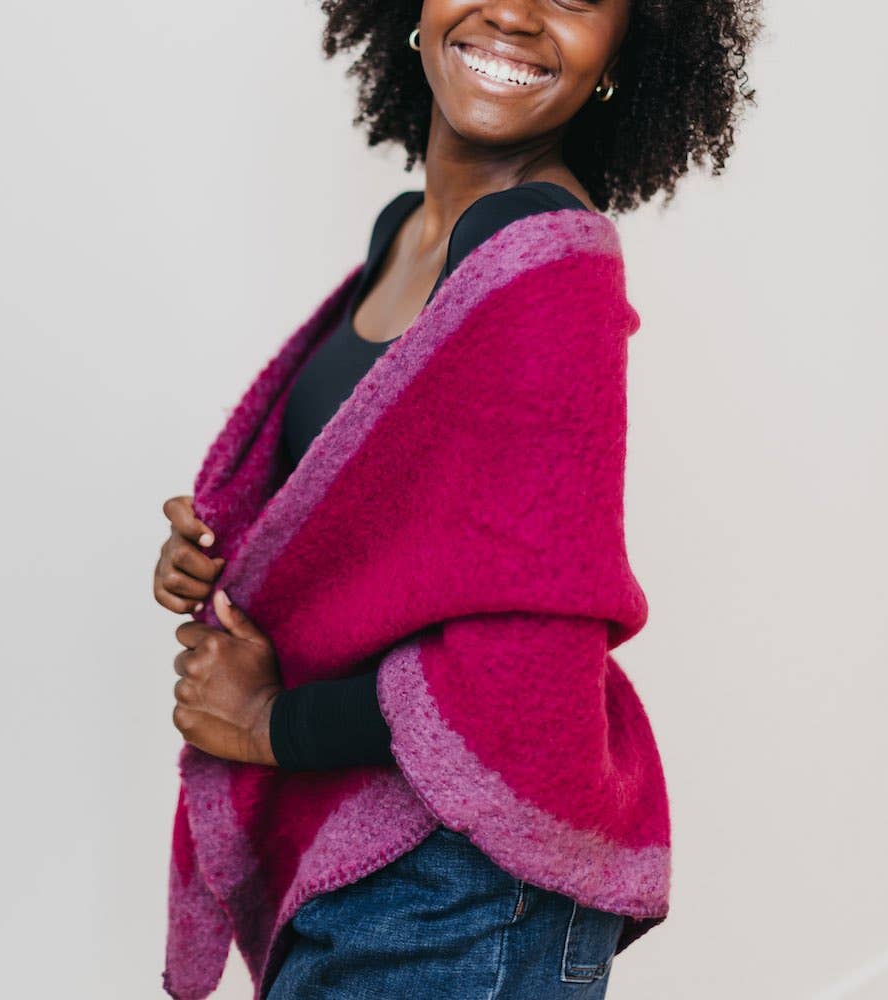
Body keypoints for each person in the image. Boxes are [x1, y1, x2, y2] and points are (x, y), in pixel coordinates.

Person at [154, 0, 762, 995]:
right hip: (376, 853)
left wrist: (270, 722)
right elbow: (377, 523)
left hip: (459, 884)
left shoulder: (544, 260)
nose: (512, 12)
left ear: (622, 51)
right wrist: (224, 550)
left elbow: (525, 677)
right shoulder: (408, 231)